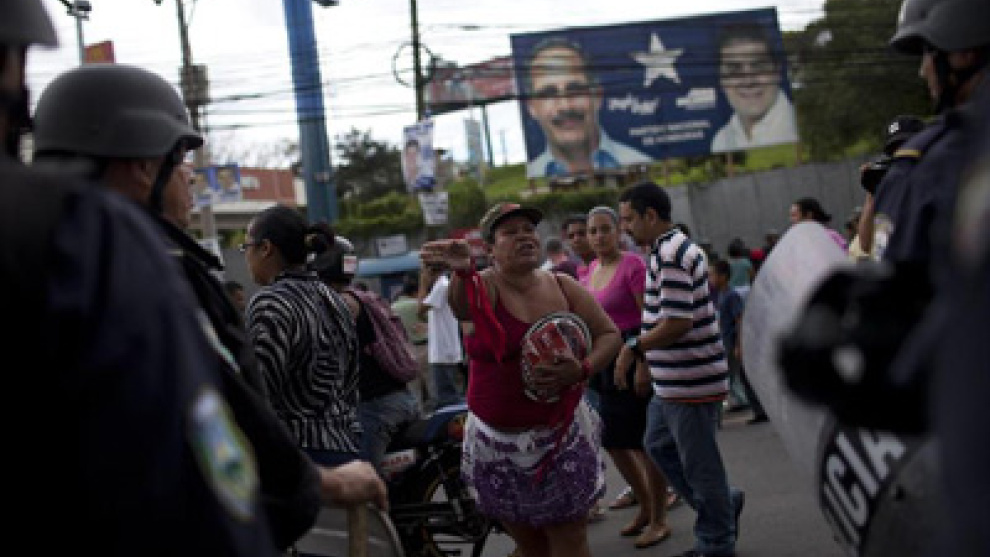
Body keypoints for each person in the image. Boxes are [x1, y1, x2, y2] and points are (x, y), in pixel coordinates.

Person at [16, 4, 385, 553]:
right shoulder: (147, 273)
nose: (189, 177)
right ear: (145, 165)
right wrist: (319, 484)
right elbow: (219, 419)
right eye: (180, 160)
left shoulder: (41, 258)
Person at [420, 202, 622, 557]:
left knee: (570, 539)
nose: (524, 237)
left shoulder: (563, 285)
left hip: (560, 436)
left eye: (529, 230)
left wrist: (582, 368)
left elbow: (609, 334)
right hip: (497, 446)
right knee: (531, 545)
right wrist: (463, 271)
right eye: (510, 232)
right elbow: (464, 308)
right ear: (490, 248)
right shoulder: (482, 285)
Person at [616, 182, 744, 557]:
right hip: (672, 382)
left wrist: (633, 349)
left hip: (691, 382)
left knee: (700, 466)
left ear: (650, 215)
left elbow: (677, 323)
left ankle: (716, 541)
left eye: (629, 220)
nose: (625, 228)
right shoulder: (662, 250)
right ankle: (722, 503)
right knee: (658, 445)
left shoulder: (672, 254)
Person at [241, 205, 363, 468]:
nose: (245, 256)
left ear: (265, 248)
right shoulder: (333, 298)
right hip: (346, 448)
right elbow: (351, 378)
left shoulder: (271, 302)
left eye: (246, 246)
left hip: (301, 455)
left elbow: (260, 388)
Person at [580, 206, 673, 549]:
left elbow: (650, 317)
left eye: (605, 229)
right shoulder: (589, 271)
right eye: (593, 231)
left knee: (644, 441)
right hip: (605, 362)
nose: (599, 237)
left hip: (634, 355)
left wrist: (644, 363)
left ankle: (659, 517)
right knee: (614, 440)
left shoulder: (633, 265)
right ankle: (645, 504)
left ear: (618, 231)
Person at [311, 230, 420, 474]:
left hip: (375, 408)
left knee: (359, 481)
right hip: (401, 399)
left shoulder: (337, 304)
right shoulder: (364, 297)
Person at [523, 37, 651, 178]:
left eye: (575, 90)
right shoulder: (532, 175)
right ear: (531, 107)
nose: (565, 106)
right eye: (549, 93)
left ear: (597, 96)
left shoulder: (639, 161)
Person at [711, 22, 799, 153]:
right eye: (734, 69)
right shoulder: (721, 140)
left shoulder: (798, 125)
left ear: (777, 72)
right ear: (721, 80)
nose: (748, 81)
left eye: (759, 67)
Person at [853, 115, 928, 260]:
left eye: (906, 146)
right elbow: (866, 244)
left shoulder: (940, 178)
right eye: (894, 150)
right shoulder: (892, 192)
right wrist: (872, 191)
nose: (901, 154)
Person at [708, 260, 768, 424]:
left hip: (733, 343)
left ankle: (715, 418)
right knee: (740, 378)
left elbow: (739, 320)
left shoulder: (731, 295)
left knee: (724, 380)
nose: (710, 279)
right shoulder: (721, 295)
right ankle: (759, 410)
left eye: (713, 275)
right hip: (726, 342)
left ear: (723, 276)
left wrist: (739, 346)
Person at [418, 264, 466, 410]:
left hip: (442, 350)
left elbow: (420, 309)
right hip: (444, 348)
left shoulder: (441, 286)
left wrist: (423, 284)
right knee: (448, 395)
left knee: (447, 399)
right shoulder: (442, 286)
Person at [391, 272, 432, 408]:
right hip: (426, 349)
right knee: (432, 388)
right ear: (416, 291)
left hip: (405, 352)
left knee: (414, 393)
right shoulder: (420, 305)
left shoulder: (392, 308)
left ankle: (418, 417)